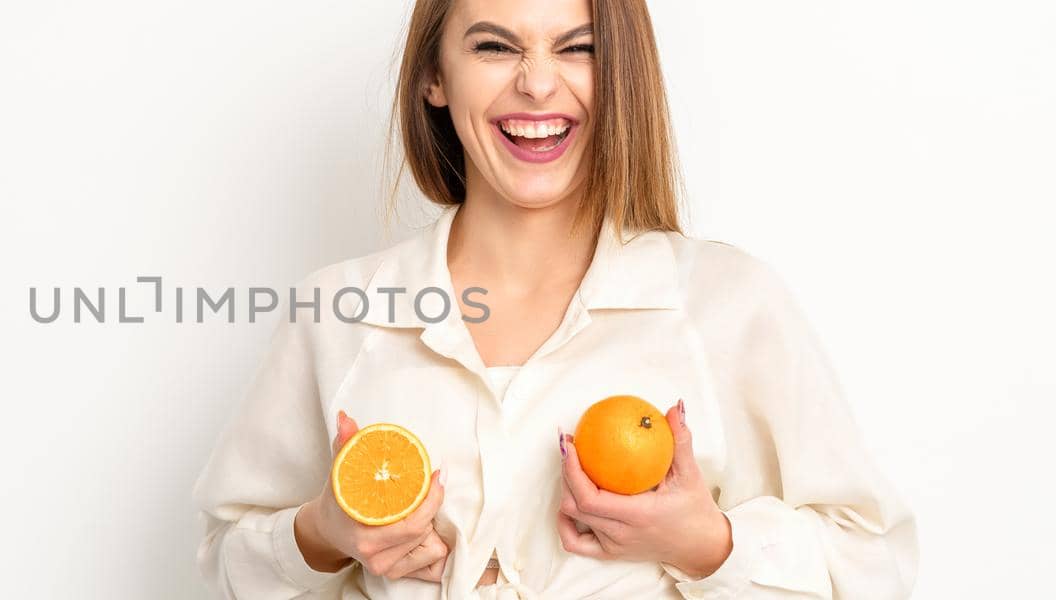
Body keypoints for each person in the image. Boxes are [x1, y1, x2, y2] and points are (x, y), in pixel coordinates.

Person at [191, 0, 919, 597]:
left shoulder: (727, 305)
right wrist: (323, 532)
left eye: (579, 48)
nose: (538, 85)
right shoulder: (339, 311)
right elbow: (223, 563)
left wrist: (708, 546)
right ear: (433, 78)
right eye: (494, 47)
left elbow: (876, 567)